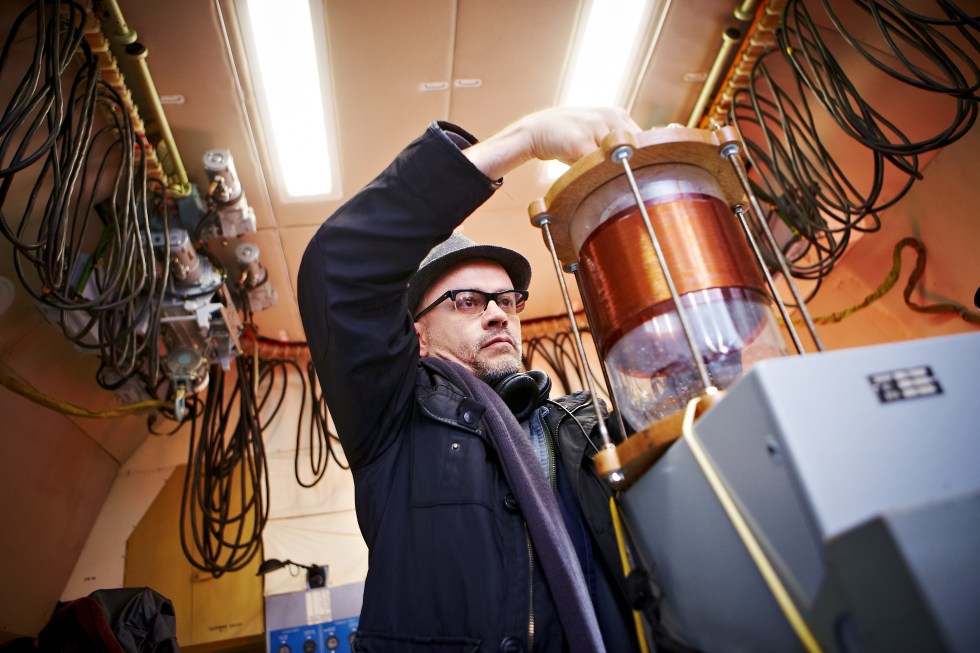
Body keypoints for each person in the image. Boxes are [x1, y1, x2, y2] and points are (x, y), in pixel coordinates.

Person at [298, 107, 646, 653]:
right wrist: (526, 138)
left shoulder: (583, 428)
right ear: (417, 336)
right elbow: (339, 266)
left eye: (507, 300)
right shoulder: (394, 422)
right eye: (467, 302)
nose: (497, 313)